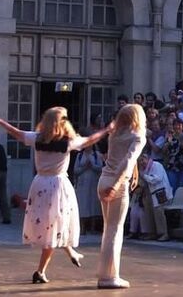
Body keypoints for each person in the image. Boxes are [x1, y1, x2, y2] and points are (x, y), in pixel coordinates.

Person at [0, 108, 109, 284]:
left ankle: (70, 253)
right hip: (57, 185)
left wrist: (0, 122)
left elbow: (17, 133)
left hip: (40, 183)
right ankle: (40, 271)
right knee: (55, 227)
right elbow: (89, 140)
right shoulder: (67, 142)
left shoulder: (37, 139)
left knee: (53, 225)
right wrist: (107, 130)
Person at [96, 103, 147, 290]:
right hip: (116, 183)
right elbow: (127, 160)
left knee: (108, 230)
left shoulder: (115, 134)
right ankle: (110, 277)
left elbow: (124, 157)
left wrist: (135, 172)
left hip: (103, 179)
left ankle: (106, 274)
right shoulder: (138, 136)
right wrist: (117, 184)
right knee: (114, 231)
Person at [136, 151, 171, 241]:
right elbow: (142, 183)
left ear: (148, 158)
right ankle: (152, 233)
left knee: (159, 213)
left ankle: (164, 234)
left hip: (160, 192)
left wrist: (144, 176)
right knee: (149, 214)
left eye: (143, 159)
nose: (142, 162)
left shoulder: (156, 165)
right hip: (148, 194)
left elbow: (157, 179)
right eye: (140, 161)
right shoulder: (143, 170)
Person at [74, 140, 104, 234]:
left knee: (93, 204)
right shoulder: (79, 156)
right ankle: (82, 227)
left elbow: (100, 168)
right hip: (82, 183)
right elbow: (75, 170)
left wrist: (92, 166)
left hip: (93, 182)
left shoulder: (97, 155)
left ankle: (92, 227)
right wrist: (84, 167)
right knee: (83, 204)